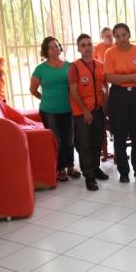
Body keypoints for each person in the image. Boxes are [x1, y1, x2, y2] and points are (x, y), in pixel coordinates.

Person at [103, 23, 136, 182]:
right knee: (119, 135)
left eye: (124, 35)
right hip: (118, 96)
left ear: (129, 35)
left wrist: (122, 77)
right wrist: (132, 77)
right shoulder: (110, 53)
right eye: (117, 36)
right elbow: (109, 78)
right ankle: (123, 171)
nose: (121, 39)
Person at [31, 37, 79, 182]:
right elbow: (33, 89)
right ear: (46, 51)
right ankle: (61, 169)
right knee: (57, 140)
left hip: (68, 109)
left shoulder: (69, 66)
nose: (55, 50)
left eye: (56, 46)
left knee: (69, 140)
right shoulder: (40, 69)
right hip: (49, 110)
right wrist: (46, 100)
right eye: (51, 48)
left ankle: (70, 166)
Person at [69, 34, 109, 191]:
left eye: (89, 44)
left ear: (93, 47)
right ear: (78, 48)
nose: (87, 48)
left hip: (98, 110)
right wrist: (85, 110)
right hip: (82, 112)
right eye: (83, 45)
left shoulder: (100, 65)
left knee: (97, 141)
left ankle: (95, 167)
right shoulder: (74, 67)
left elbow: (105, 85)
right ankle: (89, 175)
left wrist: (105, 102)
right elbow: (73, 90)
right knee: (84, 143)